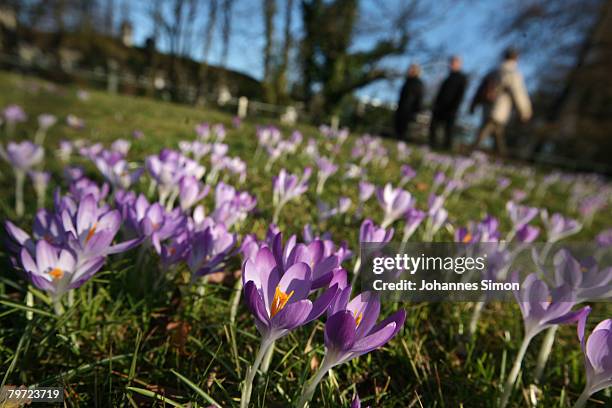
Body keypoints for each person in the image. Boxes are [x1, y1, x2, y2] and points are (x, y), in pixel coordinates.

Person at [469, 48, 532, 155]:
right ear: (516, 58)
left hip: (488, 106)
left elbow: (480, 89)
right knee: (489, 128)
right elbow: (518, 93)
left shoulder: (493, 71)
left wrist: (473, 104)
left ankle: (499, 155)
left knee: (496, 131)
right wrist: (525, 111)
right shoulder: (513, 73)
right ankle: (474, 150)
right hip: (501, 107)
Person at [429, 56, 468, 150]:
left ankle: (447, 147)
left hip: (451, 107)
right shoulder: (448, 77)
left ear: (459, 64)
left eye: (454, 63)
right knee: (434, 125)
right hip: (440, 106)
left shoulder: (462, 78)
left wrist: (455, 107)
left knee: (448, 129)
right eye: (451, 63)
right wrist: (436, 104)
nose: (451, 65)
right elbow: (440, 93)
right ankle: (432, 145)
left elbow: (460, 94)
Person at [395, 64, 424, 141]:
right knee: (398, 125)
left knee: (404, 127)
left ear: (416, 71)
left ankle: (402, 141)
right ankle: (398, 140)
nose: (409, 71)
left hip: (409, 108)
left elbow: (419, 97)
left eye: (412, 69)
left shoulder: (418, 82)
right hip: (401, 106)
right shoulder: (407, 81)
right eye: (409, 69)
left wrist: (417, 109)